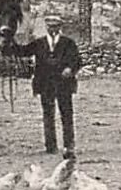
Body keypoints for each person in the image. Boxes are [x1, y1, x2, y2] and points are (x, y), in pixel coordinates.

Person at [5, 13, 80, 156]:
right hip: (45, 83)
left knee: (66, 114)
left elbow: (76, 60)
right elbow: (23, 51)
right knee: (48, 114)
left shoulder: (68, 43)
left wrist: (70, 69)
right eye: (50, 26)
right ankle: (50, 146)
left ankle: (69, 146)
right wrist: (10, 42)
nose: (53, 29)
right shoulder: (39, 43)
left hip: (63, 84)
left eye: (56, 26)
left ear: (60, 27)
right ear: (46, 27)